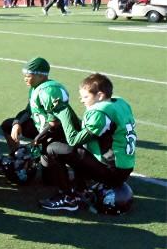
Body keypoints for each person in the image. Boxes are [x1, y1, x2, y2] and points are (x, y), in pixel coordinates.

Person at [41, 74, 136, 211]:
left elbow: (73, 140)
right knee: (74, 148)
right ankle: (81, 187)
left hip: (112, 171)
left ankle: (68, 198)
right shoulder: (119, 103)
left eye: (86, 97)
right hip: (123, 166)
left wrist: (63, 112)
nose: (82, 100)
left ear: (100, 95)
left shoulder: (100, 113)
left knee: (54, 148)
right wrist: (68, 111)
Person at [1, 57, 78, 176]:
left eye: (28, 76)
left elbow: (56, 123)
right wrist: (17, 124)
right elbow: (28, 110)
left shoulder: (49, 92)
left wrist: (37, 140)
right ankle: (17, 156)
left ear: (41, 76)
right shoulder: (35, 88)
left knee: (49, 178)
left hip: (56, 135)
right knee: (8, 125)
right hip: (41, 128)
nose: (25, 79)